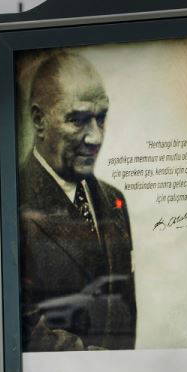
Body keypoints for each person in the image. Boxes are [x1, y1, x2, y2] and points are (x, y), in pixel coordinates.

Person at [17, 50, 135, 351]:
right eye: (78, 120)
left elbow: (123, 307)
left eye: (101, 119)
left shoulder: (113, 201)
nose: (95, 138)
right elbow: (20, 320)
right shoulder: (13, 202)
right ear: (39, 121)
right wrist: (86, 362)